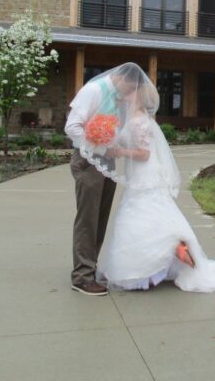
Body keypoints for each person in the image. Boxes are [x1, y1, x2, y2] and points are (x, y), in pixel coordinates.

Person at [96, 71, 215, 293]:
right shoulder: (139, 120)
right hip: (142, 176)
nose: (124, 97)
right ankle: (173, 251)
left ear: (136, 96)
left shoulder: (139, 122)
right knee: (149, 217)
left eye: (128, 93)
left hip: (144, 177)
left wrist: (118, 150)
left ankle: (164, 257)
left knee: (143, 216)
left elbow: (144, 154)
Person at [64, 62, 145, 296]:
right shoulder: (94, 90)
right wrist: (99, 149)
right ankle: (81, 276)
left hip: (107, 162)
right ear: (120, 77)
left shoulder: (119, 97)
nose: (129, 94)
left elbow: (115, 130)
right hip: (88, 160)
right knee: (87, 219)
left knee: (100, 218)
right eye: (129, 88)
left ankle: (90, 268)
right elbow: (73, 127)